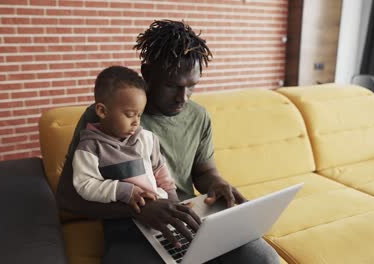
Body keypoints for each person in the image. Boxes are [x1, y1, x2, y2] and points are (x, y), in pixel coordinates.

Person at [56, 20, 280, 263]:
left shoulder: (199, 116)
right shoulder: (108, 116)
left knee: (263, 259)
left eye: (191, 86)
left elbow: (203, 171)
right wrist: (140, 208)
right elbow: (68, 197)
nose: (182, 98)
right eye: (172, 85)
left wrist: (217, 184)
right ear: (147, 73)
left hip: (189, 217)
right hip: (129, 226)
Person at [72, 66, 178, 214]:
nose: (136, 122)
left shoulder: (146, 138)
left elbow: (161, 172)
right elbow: (85, 184)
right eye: (130, 114)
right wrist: (123, 191)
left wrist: (174, 203)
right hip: (122, 217)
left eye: (139, 115)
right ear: (102, 111)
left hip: (160, 209)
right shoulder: (90, 147)